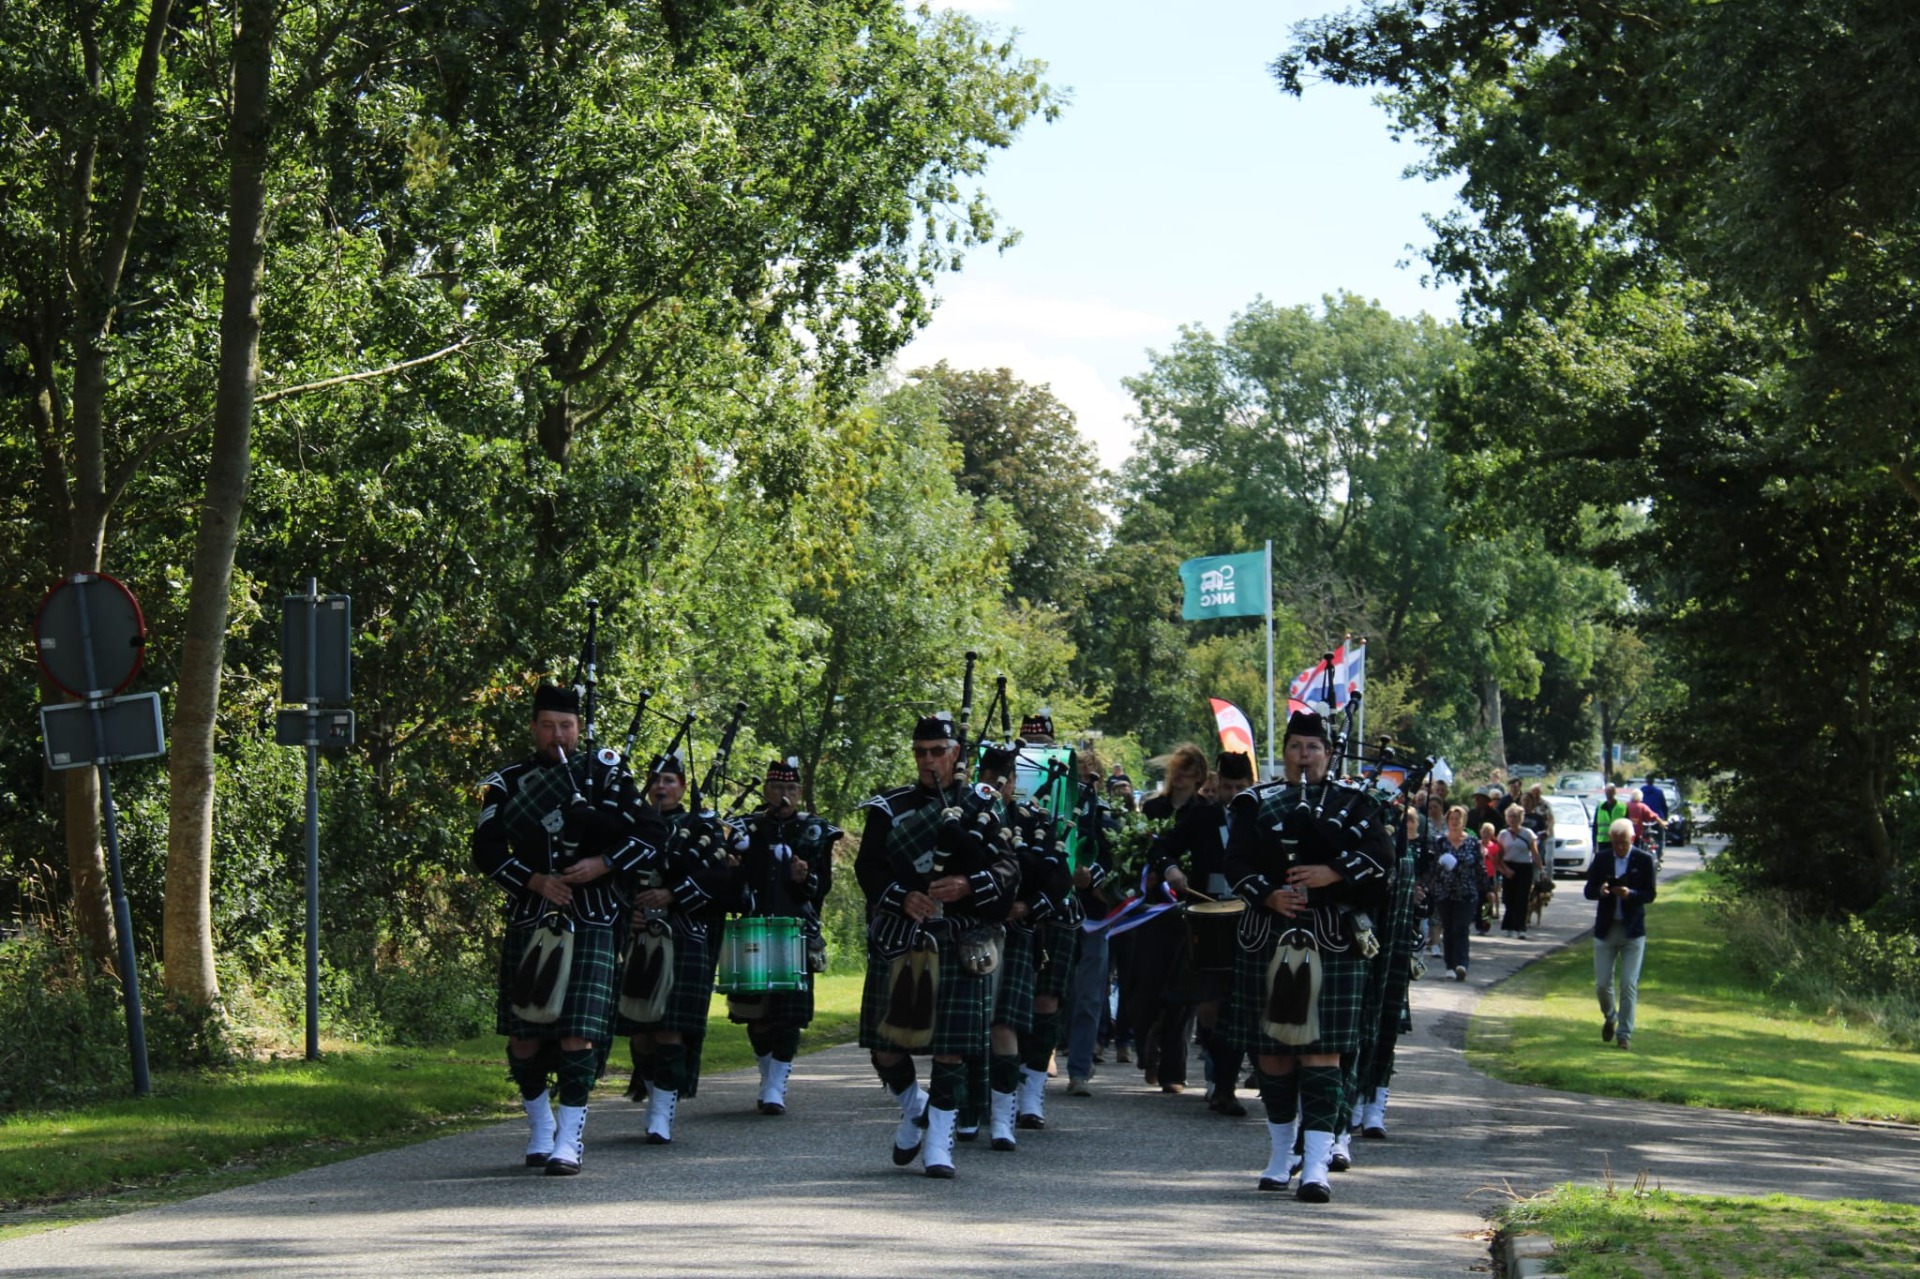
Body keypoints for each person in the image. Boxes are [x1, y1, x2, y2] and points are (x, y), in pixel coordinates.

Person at [473, 683, 661, 1175]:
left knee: (578, 1033)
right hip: (532, 919)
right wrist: (534, 880)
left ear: (579, 729)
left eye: (567, 726)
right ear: (534, 727)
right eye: (549, 726)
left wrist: (603, 863)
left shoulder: (607, 774)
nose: (558, 735)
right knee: (524, 1038)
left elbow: (651, 835)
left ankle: (569, 1140)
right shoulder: (507, 782)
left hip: (594, 917)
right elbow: (485, 851)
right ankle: (539, 1129)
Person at [1225, 709, 1392, 1202]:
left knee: (1323, 1056)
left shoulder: (1356, 803)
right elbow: (1234, 862)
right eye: (1297, 747)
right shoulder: (1255, 803)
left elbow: (1381, 858)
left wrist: (1333, 874)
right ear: (1286, 752)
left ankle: (1316, 1164)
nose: (1304, 757)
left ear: (1327, 753)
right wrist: (1267, 894)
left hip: (1332, 938)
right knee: (1272, 1056)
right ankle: (1281, 1154)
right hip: (1269, 935)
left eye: (1313, 748)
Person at [854, 713, 1018, 1179]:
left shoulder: (982, 804)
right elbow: (868, 869)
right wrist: (903, 897)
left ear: (955, 754)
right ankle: (914, 1106)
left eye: (937, 752)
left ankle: (939, 1143)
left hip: (960, 935)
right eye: (921, 752)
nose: (929, 761)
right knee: (885, 1047)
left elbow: (1009, 869)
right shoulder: (890, 807)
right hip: (901, 936)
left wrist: (968, 884)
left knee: (951, 1049)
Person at [616, 750, 737, 1144]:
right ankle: (655, 1093)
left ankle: (661, 1113)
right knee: (640, 1033)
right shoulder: (627, 823)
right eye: (656, 780)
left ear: (683, 787)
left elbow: (720, 878)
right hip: (637, 938)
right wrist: (626, 912)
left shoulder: (702, 826)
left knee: (670, 1030)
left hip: (684, 935)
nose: (662, 786)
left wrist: (673, 894)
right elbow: (613, 875)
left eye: (670, 780)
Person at [725, 757, 842, 1115]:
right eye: (778, 788)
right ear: (766, 790)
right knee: (756, 1014)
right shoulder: (747, 828)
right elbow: (730, 885)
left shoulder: (815, 831)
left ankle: (777, 1085)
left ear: (799, 792)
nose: (785, 795)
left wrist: (804, 878)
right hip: (754, 928)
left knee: (789, 1015)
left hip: (796, 930)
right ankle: (767, 1075)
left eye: (791, 788)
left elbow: (821, 887)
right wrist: (733, 870)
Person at [1123, 743, 1225, 1097]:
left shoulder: (1205, 812)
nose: (1179, 775)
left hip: (1192, 908)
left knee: (1185, 991)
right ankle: (1147, 1043)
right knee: (1148, 985)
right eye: (1175, 768)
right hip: (1154, 908)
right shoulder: (1153, 807)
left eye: (1187, 769)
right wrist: (1150, 873)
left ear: (1199, 775)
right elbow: (1139, 850)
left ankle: (1174, 1070)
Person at [1012, 711, 1082, 1131]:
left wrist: (1091, 872)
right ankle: (1000, 1084)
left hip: (1058, 907)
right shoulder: (1001, 793)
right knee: (1004, 1004)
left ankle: (1032, 1093)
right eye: (1027, 743)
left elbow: (1098, 851)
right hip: (1008, 904)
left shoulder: (1076, 792)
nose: (1033, 750)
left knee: (1045, 1002)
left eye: (1041, 743)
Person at [1064, 751, 1119, 1097]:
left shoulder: (1107, 815)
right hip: (1057, 913)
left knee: (1088, 995)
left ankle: (1080, 1069)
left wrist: (1090, 879)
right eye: (1079, 778)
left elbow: (1117, 859)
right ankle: (1036, 1065)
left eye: (1090, 778)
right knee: (1054, 994)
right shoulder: (1057, 811)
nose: (1085, 784)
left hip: (1096, 917)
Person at [1584, 818, 1658, 1050]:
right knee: (1602, 983)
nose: (1619, 847)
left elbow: (1650, 894)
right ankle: (1610, 1017)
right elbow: (1588, 890)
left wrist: (1630, 894)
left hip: (1632, 930)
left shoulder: (1644, 860)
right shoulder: (1603, 858)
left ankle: (1624, 1034)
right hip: (1606, 929)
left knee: (1628, 983)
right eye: (1615, 843)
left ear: (1632, 839)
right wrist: (1601, 891)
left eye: (1623, 843)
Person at [1424, 807, 1481, 981]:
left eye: (1458, 819)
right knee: (1448, 929)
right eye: (1452, 819)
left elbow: (1479, 867)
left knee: (1461, 928)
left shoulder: (1472, 843)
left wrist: (1488, 890)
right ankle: (1449, 965)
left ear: (1464, 822)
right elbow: (1432, 867)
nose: (1455, 822)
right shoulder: (1439, 842)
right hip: (1444, 891)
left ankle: (1461, 964)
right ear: (1447, 821)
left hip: (1467, 892)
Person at [1495, 803, 1543, 938]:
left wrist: (1541, 869)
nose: (1513, 819)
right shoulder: (1503, 834)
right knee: (1508, 898)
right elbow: (1497, 856)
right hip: (1508, 867)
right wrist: (1504, 870)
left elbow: (1535, 853)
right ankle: (1509, 926)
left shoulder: (1528, 833)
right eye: (1510, 816)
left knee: (1522, 898)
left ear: (1521, 818)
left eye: (1515, 816)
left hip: (1524, 868)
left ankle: (1520, 928)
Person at [1592, 783, 1630, 849]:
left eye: (1610, 792)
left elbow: (1627, 825)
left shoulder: (1622, 807)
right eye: (1607, 793)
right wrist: (1594, 843)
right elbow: (1595, 826)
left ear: (1614, 792)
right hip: (1603, 842)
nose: (1609, 795)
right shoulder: (1600, 807)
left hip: (1618, 840)